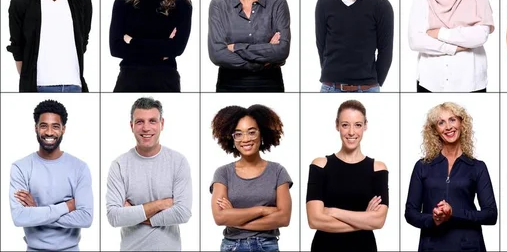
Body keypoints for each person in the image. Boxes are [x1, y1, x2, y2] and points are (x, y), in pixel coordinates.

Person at [404, 102, 497, 251]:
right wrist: (433, 219)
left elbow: (491, 215)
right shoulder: (422, 166)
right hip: (432, 246)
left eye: (452, 120)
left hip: (468, 246)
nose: (448, 127)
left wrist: (454, 214)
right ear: (435, 130)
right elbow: (410, 213)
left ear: (462, 123)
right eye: (441, 122)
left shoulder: (477, 167)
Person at [106, 97, 192, 251]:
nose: (146, 128)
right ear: (131, 126)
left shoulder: (178, 161)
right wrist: (161, 204)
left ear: (162, 124)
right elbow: (114, 217)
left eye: (152, 121)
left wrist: (135, 213)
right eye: (139, 122)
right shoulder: (119, 165)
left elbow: (182, 213)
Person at [408, 0, 494, 92]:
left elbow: (480, 36)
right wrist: (455, 47)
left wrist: (438, 33)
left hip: (471, 82)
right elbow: (416, 41)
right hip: (430, 82)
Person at [9, 100, 93, 250]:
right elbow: (19, 217)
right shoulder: (20, 168)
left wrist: (35, 211)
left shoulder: (79, 168)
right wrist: (67, 206)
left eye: (55, 126)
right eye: (43, 126)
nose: (49, 132)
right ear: (35, 128)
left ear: (63, 129)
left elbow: (86, 218)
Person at [306, 100, 389, 251]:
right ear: (337, 125)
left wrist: (332, 211)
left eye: (357, 125)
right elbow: (314, 220)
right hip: (325, 247)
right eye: (345, 125)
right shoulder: (320, 165)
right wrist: (364, 219)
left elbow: (378, 221)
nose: (351, 132)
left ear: (365, 125)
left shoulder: (378, 169)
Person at [208, 0, 291, 92]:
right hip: (229, 86)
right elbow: (217, 54)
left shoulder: (278, 3)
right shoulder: (219, 4)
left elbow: (282, 51)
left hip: (269, 85)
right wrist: (262, 60)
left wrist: (236, 47)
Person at [210, 104, 292, 251]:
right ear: (232, 139)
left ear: (262, 134)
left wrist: (235, 219)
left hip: (267, 246)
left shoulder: (278, 171)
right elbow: (220, 217)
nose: (245, 139)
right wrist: (262, 210)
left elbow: (283, 218)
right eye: (238, 134)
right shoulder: (223, 173)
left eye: (251, 132)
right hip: (232, 246)